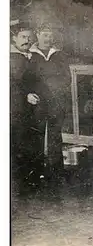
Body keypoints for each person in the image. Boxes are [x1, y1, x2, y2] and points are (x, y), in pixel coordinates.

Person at [29, 23, 71, 188]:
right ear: (37, 35)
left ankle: (55, 173)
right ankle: (36, 172)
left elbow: (66, 78)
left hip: (56, 102)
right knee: (36, 135)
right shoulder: (30, 55)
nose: (48, 38)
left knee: (55, 136)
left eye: (50, 35)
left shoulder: (59, 55)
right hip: (37, 103)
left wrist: (60, 95)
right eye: (45, 34)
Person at [10, 19, 42, 190]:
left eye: (29, 37)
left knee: (31, 143)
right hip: (14, 109)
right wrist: (24, 95)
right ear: (13, 38)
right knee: (18, 143)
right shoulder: (8, 57)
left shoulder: (32, 57)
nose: (26, 40)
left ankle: (31, 180)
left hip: (32, 109)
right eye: (22, 36)